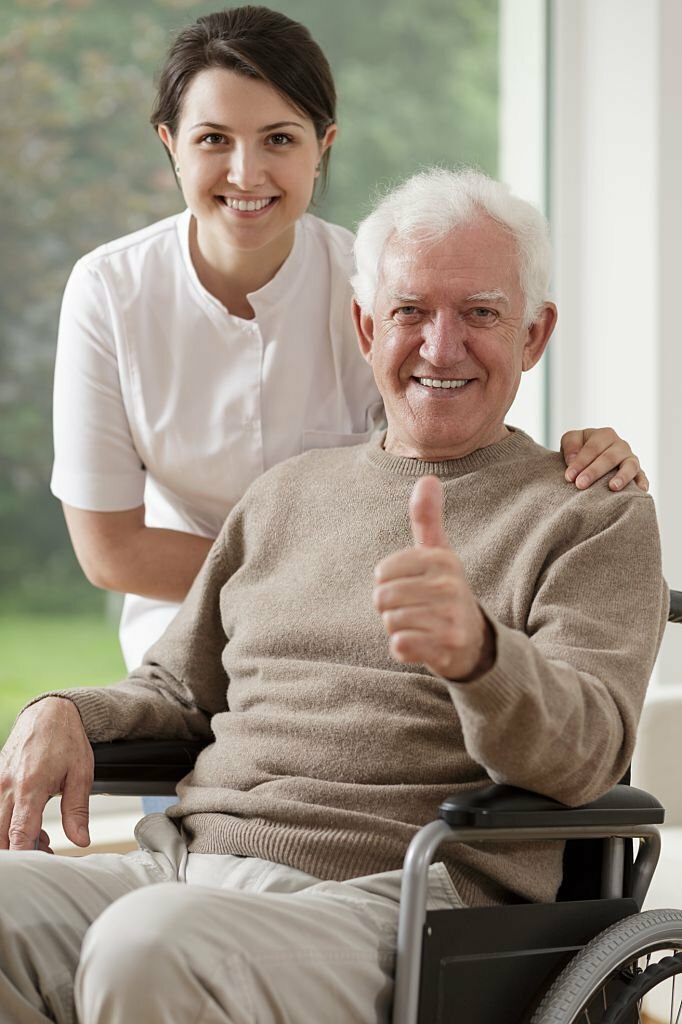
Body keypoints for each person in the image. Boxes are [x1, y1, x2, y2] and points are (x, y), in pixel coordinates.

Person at [0, 168, 667, 1024]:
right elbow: (176, 688)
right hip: (184, 870)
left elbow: (587, 751)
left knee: (149, 946)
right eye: (411, 311)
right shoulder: (287, 493)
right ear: (365, 325)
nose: (440, 344)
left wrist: (480, 656)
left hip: (400, 900)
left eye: (482, 314)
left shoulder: (587, 514)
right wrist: (66, 710)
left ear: (535, 336)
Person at [53, 4, 646, 681]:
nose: (246, 174)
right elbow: (111, 553)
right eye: (214, 139)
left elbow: (459, 447)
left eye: (279, 139)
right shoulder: (108, 289)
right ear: (170, 145)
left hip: (356, 633)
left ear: (322, 146)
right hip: (187, 633)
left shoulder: (382, 290)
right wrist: (296, 580)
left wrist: (584, 459)